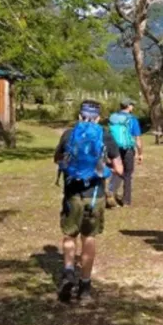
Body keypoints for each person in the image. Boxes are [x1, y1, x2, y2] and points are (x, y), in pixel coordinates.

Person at [54, 100, 124, 304]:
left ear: (79, 116)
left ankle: (68, 273)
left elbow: (57, 159)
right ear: (99, 118)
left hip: (72, 194)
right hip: (96, 196)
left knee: (69, 235)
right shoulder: (105, 135)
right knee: (89, 238)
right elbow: (119, 170)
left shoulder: (69, 134)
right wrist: (106, 163)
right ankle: (85, 287)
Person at [107, 98, 142, 207]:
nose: (133, 107)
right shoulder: (132, 119)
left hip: (113, 148)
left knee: (116, 171)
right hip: (127, 149)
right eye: (132, 105)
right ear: (129, 106)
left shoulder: (112, 117)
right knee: (127, 174)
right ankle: (126, 201)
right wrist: (140, 153)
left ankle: (110, 192)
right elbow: (138, 139)